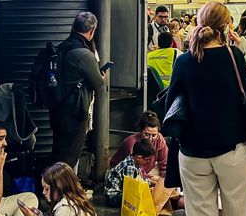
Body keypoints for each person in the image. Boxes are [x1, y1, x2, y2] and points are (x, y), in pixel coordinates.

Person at [165, 1, 246, 216]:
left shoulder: (184, 61)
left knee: (199, 211)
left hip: (192, 151)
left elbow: (171, 105)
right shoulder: (233, 56)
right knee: (239, 210)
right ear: (225, 26)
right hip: (232, 148)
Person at [50, 12, 106, 167]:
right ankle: (61, 189)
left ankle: (52, 187)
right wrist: (103, 76)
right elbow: (98, 83)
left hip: (57, 109)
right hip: (74, 113)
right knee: (69, 157)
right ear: (92, 31)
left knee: (59, 153)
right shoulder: (84, 54)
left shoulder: (63, 47)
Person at [110, 111, 169, 179]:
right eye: (147, 134)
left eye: (154, 135)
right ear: (141, 131)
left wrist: (165, 180)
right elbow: (132, 169)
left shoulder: (159, 139)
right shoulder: (131, 143)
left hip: (146, 171)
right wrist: (149, 179)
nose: (150, 138)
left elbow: (164, 163)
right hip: (125, 172)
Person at [28, 162, 96, 216]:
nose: (43, 192)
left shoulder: (65, 208)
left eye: (47, 189)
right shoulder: (74, 201)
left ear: (59, 187)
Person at [104, 139, 156, 207]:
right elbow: (132, 188)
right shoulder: (129, 167)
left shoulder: (134, 161)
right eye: (147, 160)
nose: (148, 162)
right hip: (113, 197)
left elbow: (140, 179)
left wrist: (152, 182)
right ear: (139, 158)